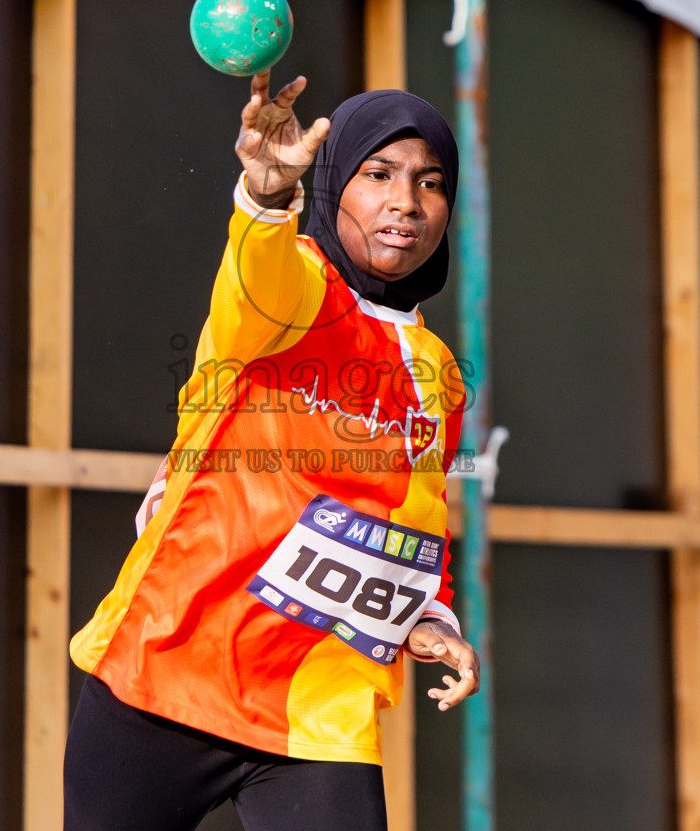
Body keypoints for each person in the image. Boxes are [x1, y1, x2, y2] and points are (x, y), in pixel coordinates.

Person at [64, 72, 480, 831]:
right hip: (166, 672)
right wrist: (262, 199)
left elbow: (421, 516)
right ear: (331, 189)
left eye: (430, 183)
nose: (406, 203)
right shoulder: (293, 294)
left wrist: (430, 615)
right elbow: (257, 267)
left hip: (318, 709)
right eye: (377, 175)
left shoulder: (439, 373)